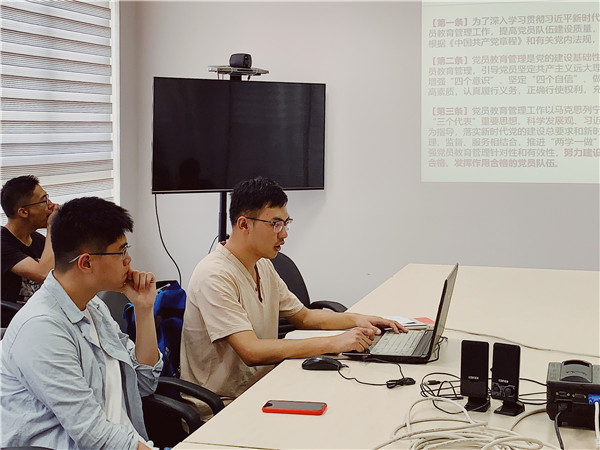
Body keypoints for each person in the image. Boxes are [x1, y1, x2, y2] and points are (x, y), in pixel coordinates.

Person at [180, 176, 406, 414]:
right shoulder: (214, 275)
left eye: (286, 223)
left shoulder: (262, 265)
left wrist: (360, 319)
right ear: (244, 224)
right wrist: (333, 342)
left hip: (265, 387)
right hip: (222, 407)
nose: (284, 234)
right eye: (275, 224)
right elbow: (251, 351)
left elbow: (304, 316)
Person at [0, 197, 162, 450]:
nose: (128, 260)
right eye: (121, 251)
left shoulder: (93, 306)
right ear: (86, 263)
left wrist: (143, 309)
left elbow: (143, 383)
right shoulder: (42, 329)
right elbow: (93, 436)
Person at [1, 175, 58, 303]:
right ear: (23, 212)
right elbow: (44, 274)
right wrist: (52, 226)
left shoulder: (38, 240)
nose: (51, 205)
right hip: (14, 314)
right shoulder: (2, 243)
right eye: (44, 201)